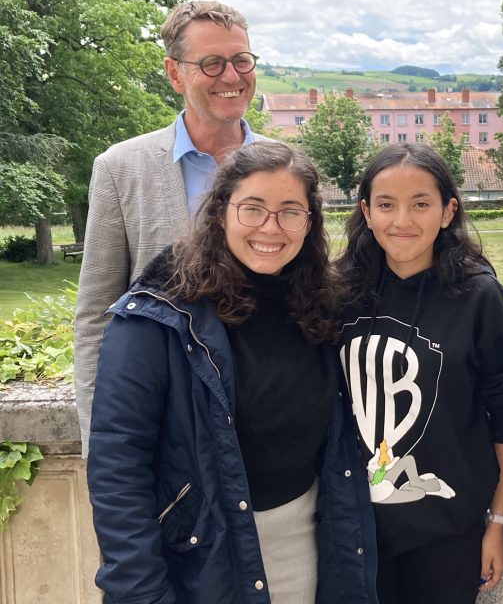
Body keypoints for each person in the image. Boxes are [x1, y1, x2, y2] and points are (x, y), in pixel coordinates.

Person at [87, 141, 377, 603]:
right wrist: (139, 589)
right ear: (221, 211)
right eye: (252, 208)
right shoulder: (158, 316)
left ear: (309, 222)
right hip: (199, 558)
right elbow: (118, 464)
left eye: (290, 212)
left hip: (304, 545)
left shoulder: (320, 303)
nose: (270, 227)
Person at [335, 143, 503, 604]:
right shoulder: (336, 295)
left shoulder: (481, 299)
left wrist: (497, 522)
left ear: (448, 212)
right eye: (386, 205)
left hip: (448, 533)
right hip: (352, 529)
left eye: (420, 204)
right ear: (366, 212)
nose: (402, 220)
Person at [74, 0, 266, 453]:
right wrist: (100, 448)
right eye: (212, 63)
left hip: (267, 419)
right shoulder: (120, 168)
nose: (232, 76)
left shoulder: (288, 168)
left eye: (241, 60)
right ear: (174, 73)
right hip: (166, 424)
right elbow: (96, 316)